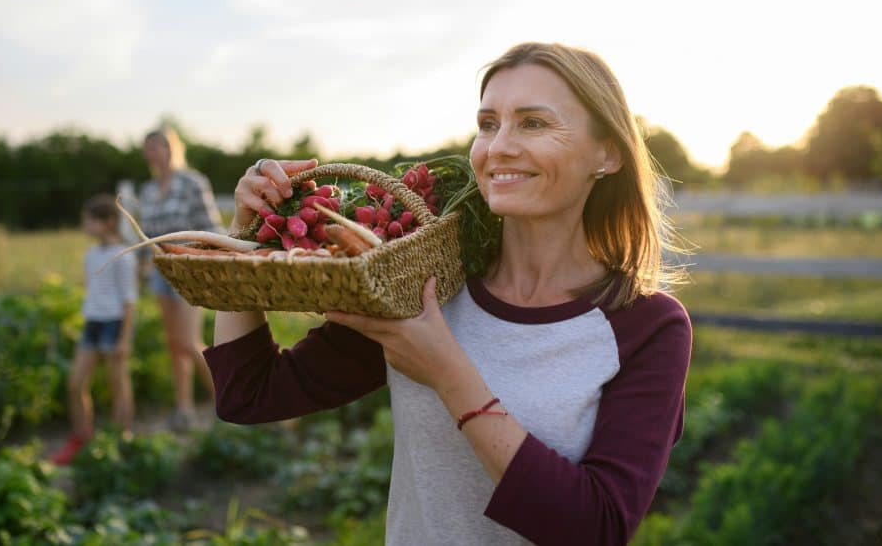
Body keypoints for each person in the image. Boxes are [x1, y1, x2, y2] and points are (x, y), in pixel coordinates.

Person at [203, 42, 692, 545]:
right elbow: (250, 394)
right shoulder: (426, 282)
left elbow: (597, 528)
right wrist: (246, 239)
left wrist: (446, 371)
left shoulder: (647, 326)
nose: (498, 146)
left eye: (534, 123)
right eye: (487, 124)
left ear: (608, 153)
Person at [139, 125, 224, 432]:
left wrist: (216, 261)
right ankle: (184, 409)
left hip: (190, 268)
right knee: (174, 344)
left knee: (189, 342)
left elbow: (211, 225)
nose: (152, 152)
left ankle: (229, 401)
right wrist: (140, 268)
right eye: (148, 147)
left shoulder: (192, 182)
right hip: (161, 270)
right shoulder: (147, 190)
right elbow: (145, 235)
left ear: (171, 148)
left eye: (157, 146)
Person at [50, 194, 138, 466]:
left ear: (109, 221)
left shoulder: (123, 256)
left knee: (117, 384)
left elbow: (129, 300)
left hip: (114, 324)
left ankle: (120, 441)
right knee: (76, 383)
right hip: (92, 324)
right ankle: (82, 438)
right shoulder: (90, 255)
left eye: (90, 221)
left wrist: (124, 338)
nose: (85, 226)